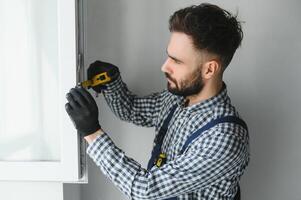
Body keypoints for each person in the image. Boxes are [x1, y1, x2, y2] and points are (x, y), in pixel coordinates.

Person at [65, 3, 250, 200]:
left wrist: (92, 132)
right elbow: (131, 110)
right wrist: (111, 82)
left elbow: (146, 190)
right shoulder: (175, 98)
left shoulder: (225, 138)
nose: (164, 66)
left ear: (209, 70)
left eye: (177, 61)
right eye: (168, 56)